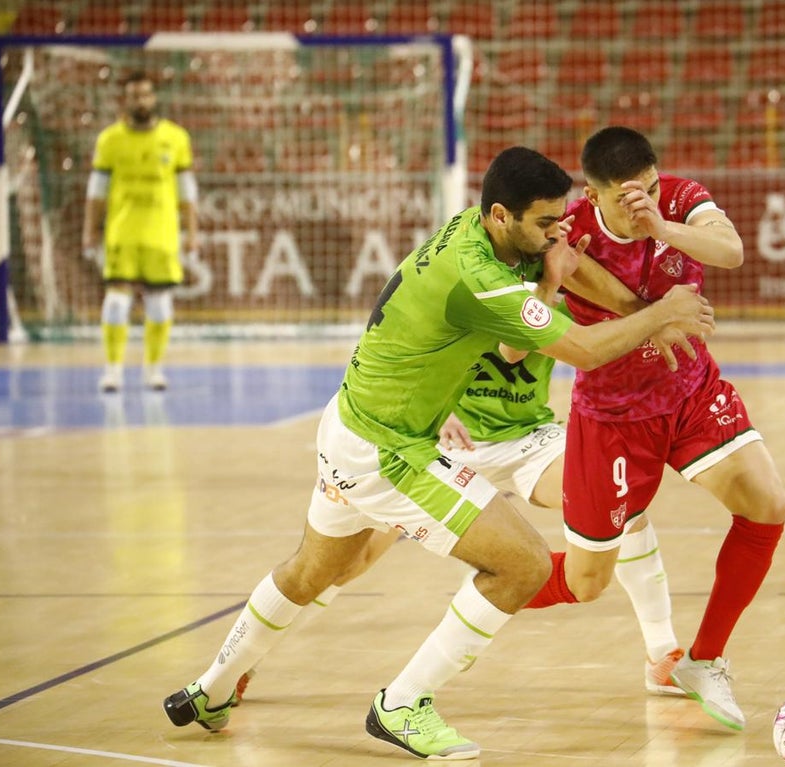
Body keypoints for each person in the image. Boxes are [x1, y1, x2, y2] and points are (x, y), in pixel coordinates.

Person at [161, 146, 715, 761]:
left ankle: (208, 690)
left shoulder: (467, 231)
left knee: (314, 571)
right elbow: (582, 350)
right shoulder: (484, 280)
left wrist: (553, 277)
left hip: (349, 424)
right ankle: (402, 704)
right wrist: (663, 310)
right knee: (524, 563)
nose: (561, 233)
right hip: (388, 451)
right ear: (501, 216)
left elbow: (485, 326)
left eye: (563, 219)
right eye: (545, 224)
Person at [232, 312, 692, 706]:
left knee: (620, 502)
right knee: (346, 562)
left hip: (526, 438)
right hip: (435, 442)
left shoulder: (563, 274)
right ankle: (242, 662)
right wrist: (431, 406)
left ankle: (662, 653)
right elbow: (394, 355)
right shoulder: (468, 279)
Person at [521, 126, 785, 733]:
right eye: (625, 196)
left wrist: (662, 228)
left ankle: (704, 659)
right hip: (614, 417)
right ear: (591, 194)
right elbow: (599, 291)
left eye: (648, 187)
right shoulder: (571, 233)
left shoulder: (679, 199)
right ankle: (493, 585)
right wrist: (656, 318)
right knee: (585, 580)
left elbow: (730, 251)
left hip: (691, 391)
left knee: (769, 503)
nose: (640, 200)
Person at [82, 71, 198, 393]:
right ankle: (113, 370)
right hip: (122, 235)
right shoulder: (110, 140)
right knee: (117, 302)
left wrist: (192, 231)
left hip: (161, 235)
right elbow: (97, 191)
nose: (141, 101)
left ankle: (154, 370)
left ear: (154, 97)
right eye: (134, 96)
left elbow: (187, 191)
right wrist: (89, 229)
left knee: (159, 304)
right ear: (125, 100)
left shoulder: (176, 138)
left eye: (146, 94)